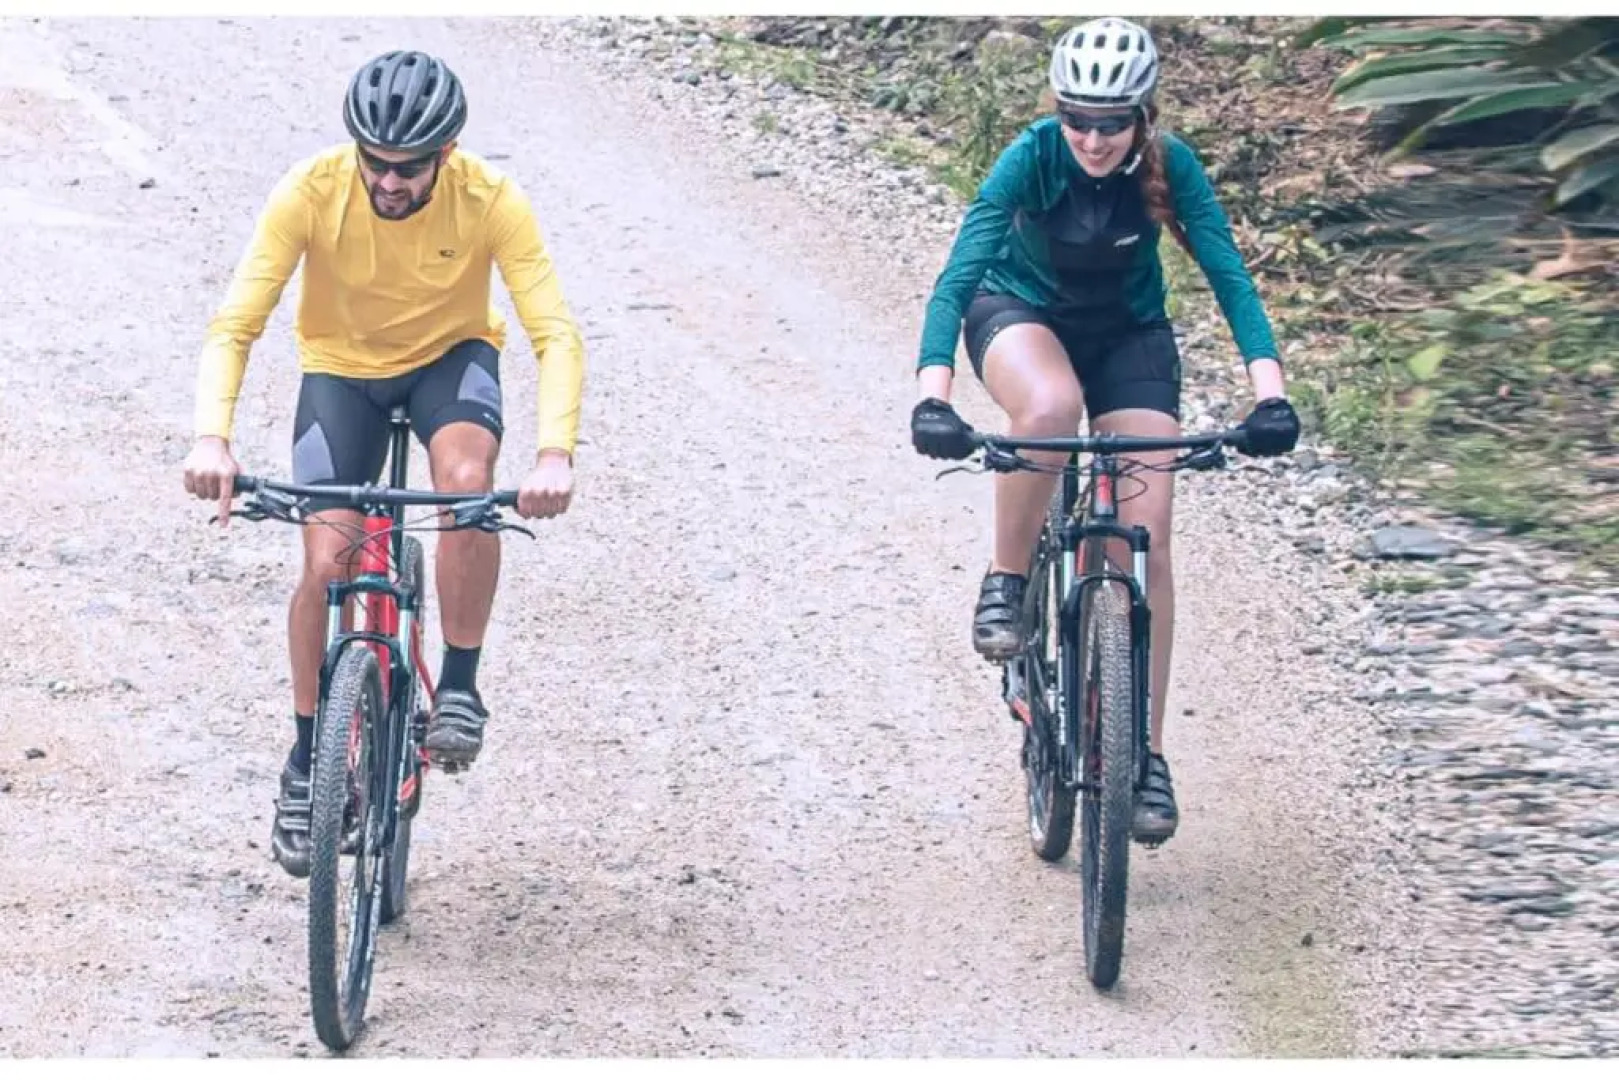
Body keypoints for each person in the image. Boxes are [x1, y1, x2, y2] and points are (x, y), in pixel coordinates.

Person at [180, 50, 588, 878]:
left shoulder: (491, 200)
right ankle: (306, 765)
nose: (389, 181)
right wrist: (211, 438)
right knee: (326, 558)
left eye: (408, 168)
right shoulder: (311, 191)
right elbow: (235, 325)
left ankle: (461, 689)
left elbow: (554, 332)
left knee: (467, 489)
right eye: (375, 162)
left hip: (449, 360)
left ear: (448, 153)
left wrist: (553, 454)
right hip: (341, 371)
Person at [908, 18, 1300, 846]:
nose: (1090, 137)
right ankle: (1007, 583)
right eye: (1076, 117)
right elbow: (958, 275)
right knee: (1047, 413)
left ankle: (1145, 756)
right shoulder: (1033, 157)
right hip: (1020, 315)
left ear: (1141, 117)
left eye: (1110, 121)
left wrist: (1270, 396)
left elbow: (1228, 275)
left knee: (1145, 535)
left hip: (1128, 335)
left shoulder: (1171, 165)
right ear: (1057, 111)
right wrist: (932, 395)